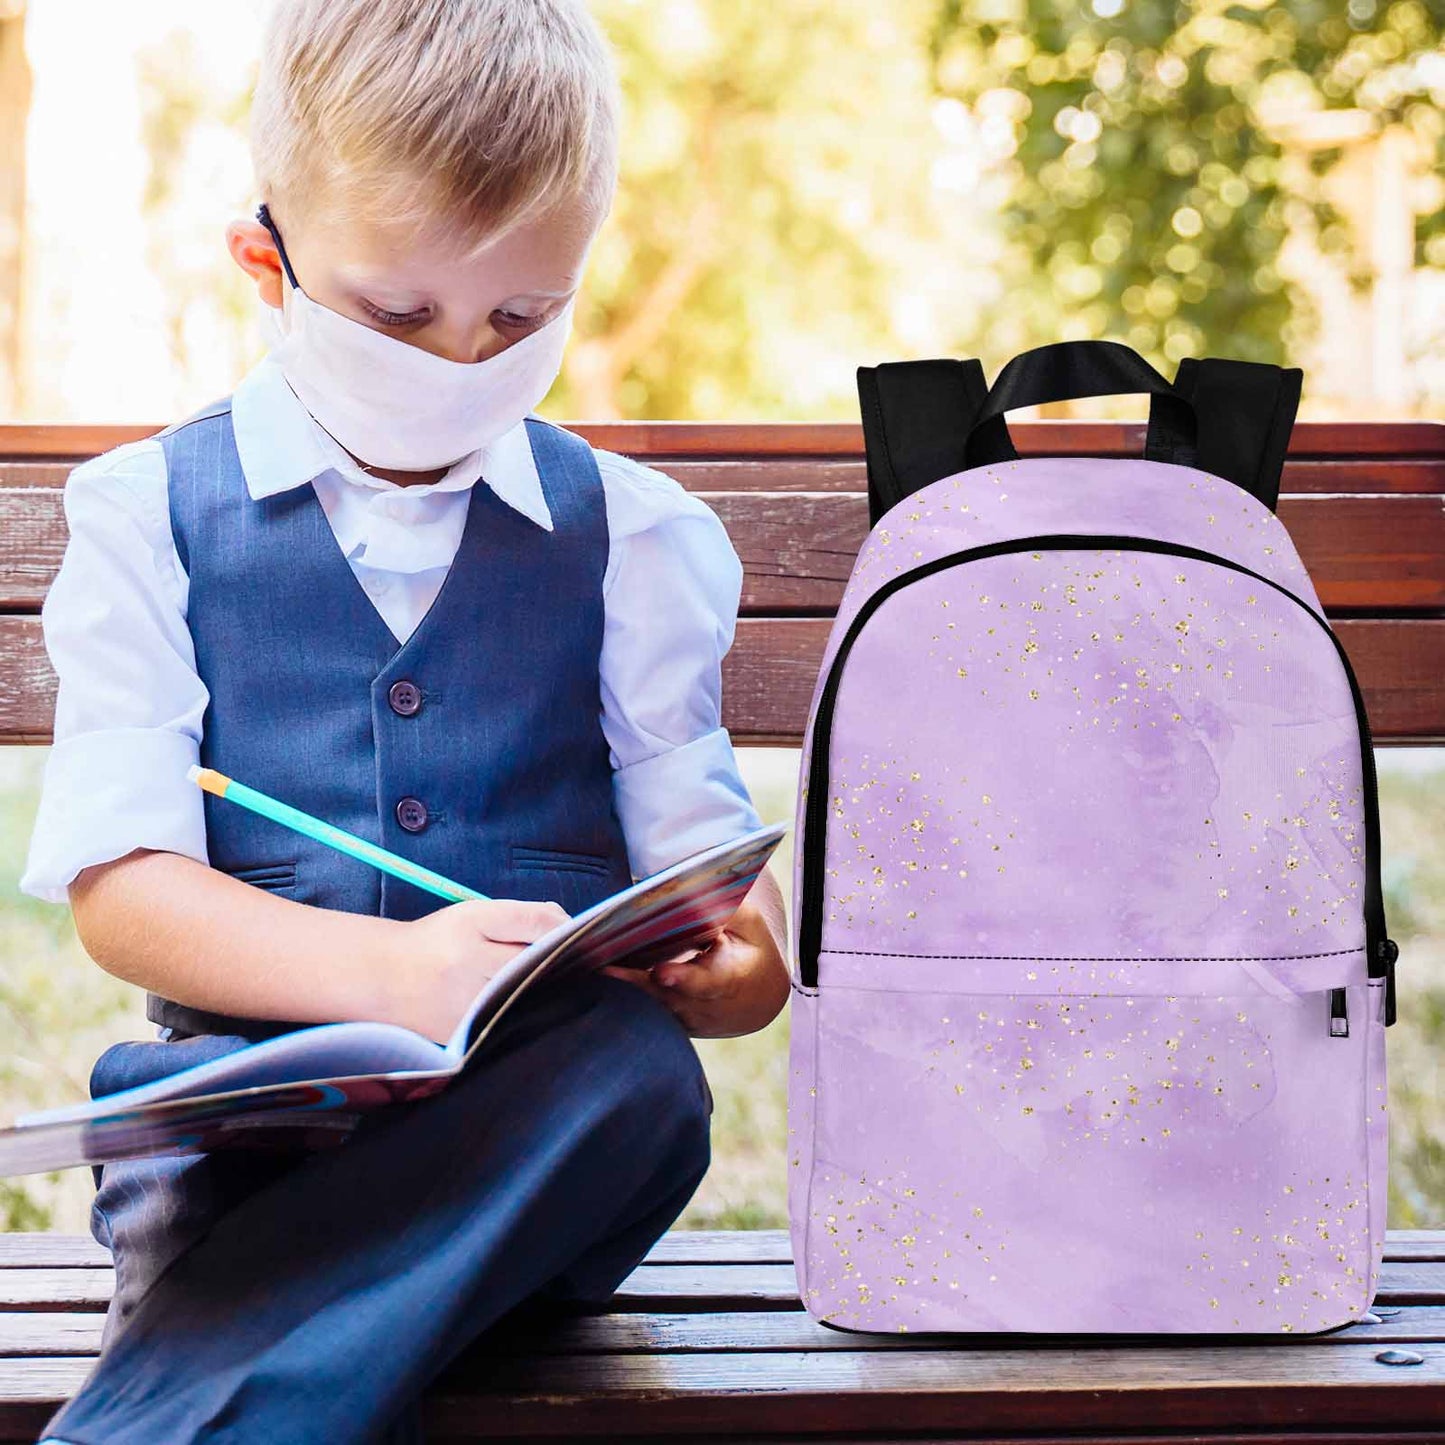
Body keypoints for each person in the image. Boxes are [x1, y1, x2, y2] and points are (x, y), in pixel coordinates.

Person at [18, 1, 790, 1439]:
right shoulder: (147, 517)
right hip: (245, 1142)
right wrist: (393, 968)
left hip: (543, 1140)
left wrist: (735, 966)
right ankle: (254, 1368)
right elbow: (126, 902)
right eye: (396, 313)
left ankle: (192, 1393)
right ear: (270, 260)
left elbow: (734, 936)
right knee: (332, 1196)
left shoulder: (637, 537)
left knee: (639, 1080)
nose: (459, 356)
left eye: (519, 317)